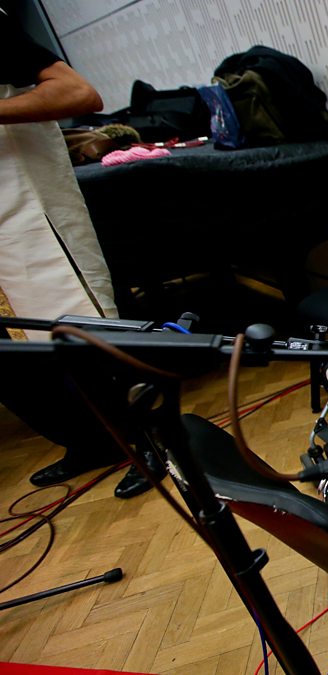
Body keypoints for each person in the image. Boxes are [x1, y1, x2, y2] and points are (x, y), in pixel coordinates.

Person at [0, 8, 161, 499]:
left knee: (79, 327)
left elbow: (79, 94)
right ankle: (91, 443)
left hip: (23, 207)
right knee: (15, 355)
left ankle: (149, 441)